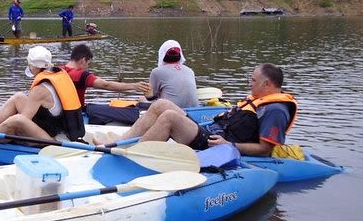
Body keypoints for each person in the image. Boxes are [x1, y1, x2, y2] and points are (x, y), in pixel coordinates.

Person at [111, 63, 298, 156]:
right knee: (160, 104)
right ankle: (120, 143)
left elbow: (266, 149)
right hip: (210, 132)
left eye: (253, 80)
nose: (250, 83)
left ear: (267, 83)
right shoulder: (259, 99)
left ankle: (134, 156)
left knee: (169, 117)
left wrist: (229, 145)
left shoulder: (275, 111)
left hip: (214, 143)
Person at [0, 46, 85, 142]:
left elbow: (23, 121)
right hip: (56, 128)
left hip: (54, 140)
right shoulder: (57, 75)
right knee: (18, 97)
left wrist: (7, 122)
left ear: (33, 66)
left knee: (16, 120)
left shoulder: (40, 90)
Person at [62, 44, 150, 125]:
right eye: (88, 64)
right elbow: (106, 85)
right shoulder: (80, 75)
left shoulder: (58, 71)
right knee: (123, 112)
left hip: (65, 113)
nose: (87, 67)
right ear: (83, 60)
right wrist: (134, 86)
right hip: (77, 114)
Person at [147, 40, 198, 108]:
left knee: (142, 99)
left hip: (171, 111)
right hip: (193, 110)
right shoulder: (190, 70)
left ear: (162, 54)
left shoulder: (156, 72)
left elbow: (151, 97)